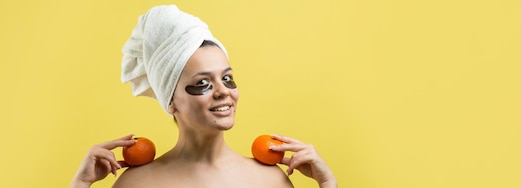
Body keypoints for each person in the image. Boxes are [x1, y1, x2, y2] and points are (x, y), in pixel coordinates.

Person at [70, 5, 337, 188]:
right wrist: (80, 184)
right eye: (203, 83)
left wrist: (327, 184)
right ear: (170, 100)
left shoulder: (269, 180)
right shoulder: (137, 183)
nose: (223, 91)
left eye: (228, 78)